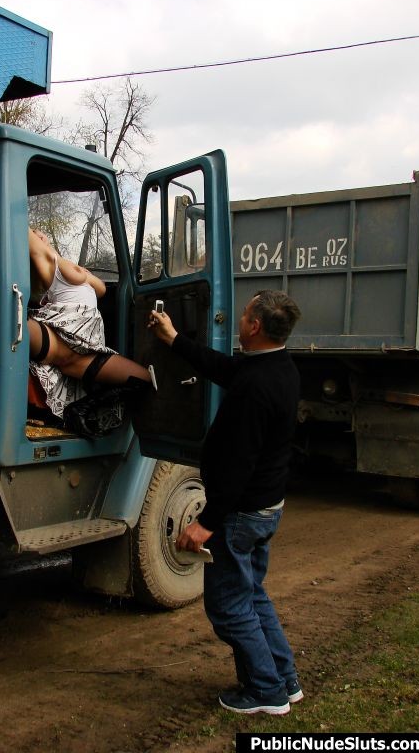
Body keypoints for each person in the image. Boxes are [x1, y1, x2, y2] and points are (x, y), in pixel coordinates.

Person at [148, 290, 302, 716]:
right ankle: (284, 681)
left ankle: (265, 691)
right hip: (266, 508)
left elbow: (237, 466)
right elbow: (224, 368)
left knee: (229, 606)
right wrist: (174, 338)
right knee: (251, 595)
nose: (239, 318)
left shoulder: (256, 386)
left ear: (254, 326)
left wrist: (207, 523)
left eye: (245, 313)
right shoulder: (278, 368)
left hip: (241, 514)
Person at [27, 228, 151, 433]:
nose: (38, 233)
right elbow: (19, 220)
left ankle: (79, 410)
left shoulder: (61, 261)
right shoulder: (48, 261)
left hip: (86, 354)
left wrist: (84, 274)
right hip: (57, 339)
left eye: (40, 231)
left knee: (144, 379)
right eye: (34, 231)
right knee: (15, 326)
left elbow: (101, 288)